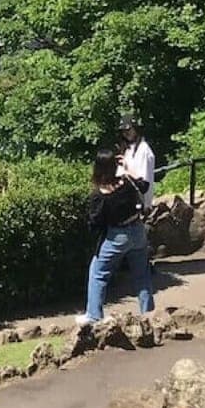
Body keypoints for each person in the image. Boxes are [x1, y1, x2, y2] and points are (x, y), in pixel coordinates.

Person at [76, 147, 155, 324]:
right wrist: (127, 168)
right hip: (137, 230)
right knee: (142, 275)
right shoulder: (126, 182)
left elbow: (95, 222)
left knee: (98, 273)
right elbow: (144, 185)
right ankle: (148, 314)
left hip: (116, 236)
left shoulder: (100, 195)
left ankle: (94, 315)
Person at [119, 113, 155, 211]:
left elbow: (144, 186)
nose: (126, 133)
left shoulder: (143, 150)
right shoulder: (128, 150)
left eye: (128, 129)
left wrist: (127, 171)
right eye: (123, 131)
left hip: (142, 209)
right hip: (129, 206)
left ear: (136, 129)